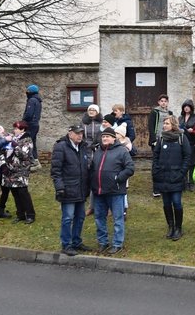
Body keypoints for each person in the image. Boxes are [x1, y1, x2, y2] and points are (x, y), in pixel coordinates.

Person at [89, 126, 135, 253]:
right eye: (103, 137)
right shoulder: (97, 151)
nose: (104, 138)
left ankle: (117, 243)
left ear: (114, 138)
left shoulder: (122, 151)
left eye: (107, 136)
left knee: (117, 218)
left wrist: (118, 178)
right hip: (99, 191)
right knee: (99, 218)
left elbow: (130, 168)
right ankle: (103, 242)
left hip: (115, 191)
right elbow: (93, 168)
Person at [50, 124, 92, 256]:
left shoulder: (83, 147)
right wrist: (60, 187)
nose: (80, 135)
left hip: (81, 188)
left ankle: (76, 241)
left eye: (81, 133)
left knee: (80, 217)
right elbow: (56, 171)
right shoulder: (61, 147)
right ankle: (66, 244)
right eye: (77, 133)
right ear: (70, 134)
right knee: (68, 218)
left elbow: (86, 168)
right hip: (67, 189)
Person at [153, 115, 194, 241]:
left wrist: (181, 173)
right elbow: (156, 156)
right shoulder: (161, 139)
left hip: (176, 176)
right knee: (166, 203)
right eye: (164, 123)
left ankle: (178, 228)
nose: (164, 125)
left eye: (167, 123)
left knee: (176, 202)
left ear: (173, 125)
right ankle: (170, 226)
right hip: (163, 176)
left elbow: (188, 157)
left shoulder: (182, 137)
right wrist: (156, 171)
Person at [0, 120, 36, 223]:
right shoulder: (13, 138)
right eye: (14, 128)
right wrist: (3, 165)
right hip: (9, 170)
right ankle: (20, 214)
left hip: (21, 170)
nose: (14, 130)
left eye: (16, 128)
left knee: (23, 192)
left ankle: (30, 215)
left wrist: (14, 145)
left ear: (22, 129)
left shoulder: (27, 140)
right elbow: (3, 151)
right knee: (15, 193)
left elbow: (24, 155)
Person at [178, 99, 195, 191]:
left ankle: (191, 182)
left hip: (191, 142)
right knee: (183, 162)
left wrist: (192, 131)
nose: (186, 108)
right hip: (182, 142)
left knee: (192, 163)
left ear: (191, 107)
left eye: (188, 106)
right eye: (185, 106)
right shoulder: (180, 117)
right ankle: (184, 182)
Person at [22, 84, 42, 161]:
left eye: (27, 91)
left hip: (30, 124)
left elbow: (29, 114)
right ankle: (35, 159)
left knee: (27, 143)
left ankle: (30, 161)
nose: (26, 92)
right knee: (32, 142)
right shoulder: (38, 100)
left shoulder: (32, 100)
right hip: (35, 124)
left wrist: (23, 120)